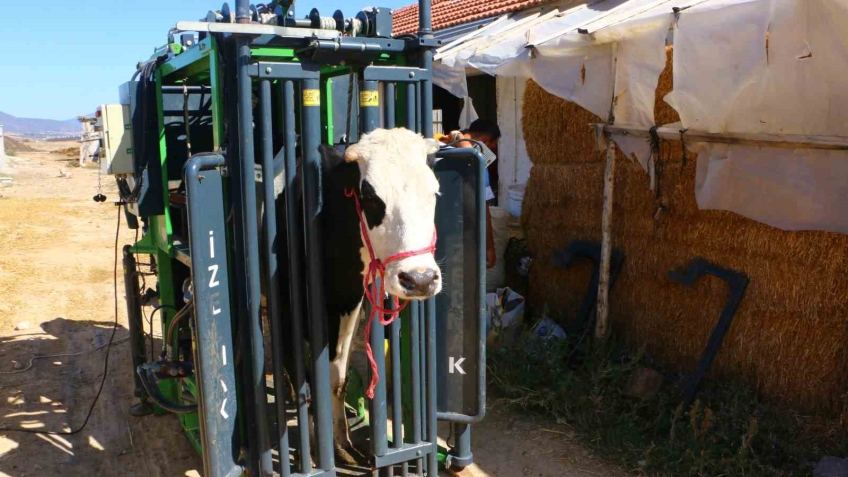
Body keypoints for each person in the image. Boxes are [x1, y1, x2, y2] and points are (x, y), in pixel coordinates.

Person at [438, 118, 501, 269]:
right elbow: (482, 209)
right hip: (458, 233)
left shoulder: (440, 148)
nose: (491, 151)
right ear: (484, 141)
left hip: (431, 230)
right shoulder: (477, 164)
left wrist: (458, 136)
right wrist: (489, 248)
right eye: (492, 146)